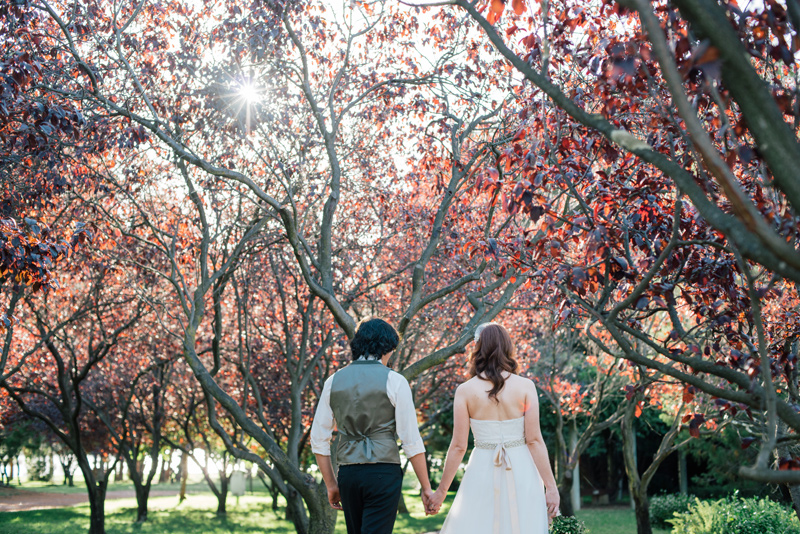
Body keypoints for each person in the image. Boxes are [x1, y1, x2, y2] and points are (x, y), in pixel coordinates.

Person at [425, 322, 559, 533]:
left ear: (478, 348)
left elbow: (459, 446)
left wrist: (441, 492)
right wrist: (551, 487)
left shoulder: (465, 391)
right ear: (508, 347)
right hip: (522, 468)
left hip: (482, 468)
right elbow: (534, 440)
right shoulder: (526, 387)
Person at [310, 318, 433, 534]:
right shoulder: (395, 381)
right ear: (386, 347)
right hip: (383, 473)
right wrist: (426, 487)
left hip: (348, 474)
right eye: (392, 351)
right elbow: (411, 441)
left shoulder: (333, 381)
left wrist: (331, 485)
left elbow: (319, 439)